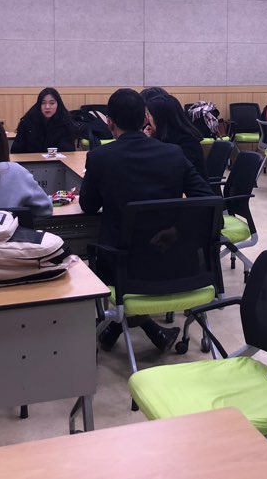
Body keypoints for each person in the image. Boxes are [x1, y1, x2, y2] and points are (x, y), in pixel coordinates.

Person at [80, 88, 213, 353]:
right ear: (144, 119)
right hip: (174, 260)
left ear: (109, 122)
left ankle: (114, 326)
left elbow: (89, 205)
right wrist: (177, 230)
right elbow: (207, 200)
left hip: (122, 266)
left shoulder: (100, 158)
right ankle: (136, 329)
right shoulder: (174, 153)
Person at [145, 94, 208, 182]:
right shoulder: (168, 137)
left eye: (149, 115)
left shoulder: (187, 142)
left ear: (159, 118)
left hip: (189, 189)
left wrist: (150, 143)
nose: (147, 119)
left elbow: (171, 173)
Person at [11, 87, 76, 155]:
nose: (47, 107)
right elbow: (16, 150)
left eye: (52, 103)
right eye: (43, 103)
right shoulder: (28, 121)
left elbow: (69, 151)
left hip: (58, 160)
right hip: (31, 160)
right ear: (39, 105)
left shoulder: (66, 122)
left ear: (58, 104)